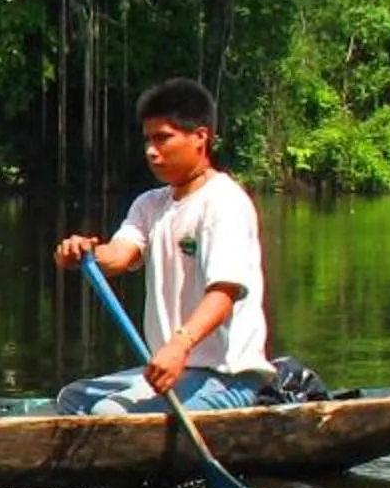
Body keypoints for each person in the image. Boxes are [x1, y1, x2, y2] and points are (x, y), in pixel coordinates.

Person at [51, 78, 275, 415]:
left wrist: (179, 345)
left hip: (227, 377)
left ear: (201, 137)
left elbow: (224, 294)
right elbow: (119, 256)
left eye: (163, 138)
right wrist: (83, 253)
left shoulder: (223, 202)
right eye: (148, 140)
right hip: (172, 372)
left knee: (105, 414)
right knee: (72, 398)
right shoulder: (150, 204)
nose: (151, 151)